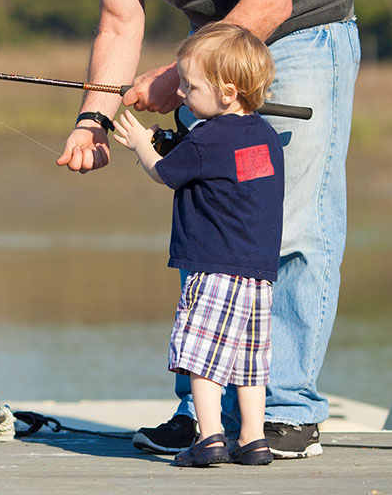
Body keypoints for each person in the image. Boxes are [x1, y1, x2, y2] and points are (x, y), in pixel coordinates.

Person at [40, 0, 360, 460]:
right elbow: (120, 25)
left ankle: (288, 409)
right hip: (211, 59)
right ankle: (205, 413)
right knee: (207, 219)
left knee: (294, 220)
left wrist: (179, 78)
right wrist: (90, 122)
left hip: (302, 31)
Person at [113, 23, 283, 467]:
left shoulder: (208, 137)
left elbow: (166, 173)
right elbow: (223, 175)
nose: (184, 94)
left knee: (201, 357)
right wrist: (178, 144)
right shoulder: (264, 136)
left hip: (212, 268)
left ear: (227, 92)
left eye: (191, 86)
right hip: (258, 272)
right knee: (249, 362)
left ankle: (208, 437)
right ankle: (252, 438)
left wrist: (140, 145)